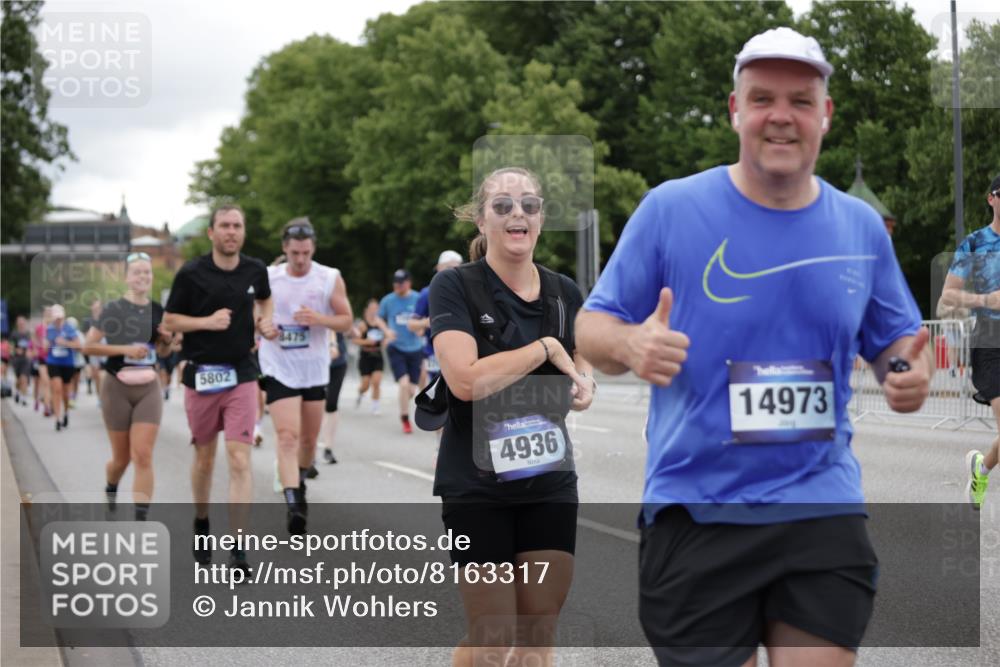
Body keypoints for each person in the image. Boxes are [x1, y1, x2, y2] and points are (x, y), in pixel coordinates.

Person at [576, 27, 932, 667]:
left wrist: (907, 371)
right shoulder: (670, 210)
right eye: (763, 98)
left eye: (801, 101)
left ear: (826, 114)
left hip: (821, 505)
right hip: (698, 509)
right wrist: (630, 343)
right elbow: (592, 325)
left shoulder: (859, 227)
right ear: (735, 109)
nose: (781, 116)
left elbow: (896, 343)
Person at [429, 166, 594, 666]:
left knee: (538, 632)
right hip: (476, 485)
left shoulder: (564, 292)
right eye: (502, 205)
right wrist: (543, 348)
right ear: (481, 220)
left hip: (548, 479)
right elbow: (465, 380)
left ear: (540, 218)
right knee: (493, 637)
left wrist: (584, 382)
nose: (516, 213)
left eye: (528, 204)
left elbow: (580, 354)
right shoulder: (455, 286)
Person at [163, 204, 276, 573]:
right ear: (212, 232)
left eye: (237, 226)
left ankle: (239, 548)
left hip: (241, 372)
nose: (231, 231)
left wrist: (265, 321)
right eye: (224, 225)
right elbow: (170, 319)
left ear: (243, 232)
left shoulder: (255, 269)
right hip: (202, 374)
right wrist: (206, 322)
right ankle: (201, 521)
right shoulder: (192, 273)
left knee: (240, 459)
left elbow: (265, 298)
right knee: (205, 459)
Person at [257, 218, 353, 535]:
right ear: (284, 249)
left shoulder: (329, 277)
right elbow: (255, 314)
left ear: (313, 249)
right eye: (295, 253)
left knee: (309, 441)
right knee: (287, 437)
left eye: (306, 253)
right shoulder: (268, 277)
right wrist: (263, 326)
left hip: (313, 368)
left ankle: (299, 481)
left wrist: (319, 318)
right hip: (278, 366)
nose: (300, 259)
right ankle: (294, 503)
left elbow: (346, 320)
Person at [83, 252, 173, 520]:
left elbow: (164, 353)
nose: (142, 276)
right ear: (126, 278)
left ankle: (140, 519)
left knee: (143, 454)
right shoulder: (114, 309)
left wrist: (166, 341)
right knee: (121, 459)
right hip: (117, 387)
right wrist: (125, 349)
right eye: (137, 272)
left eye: (147, 272)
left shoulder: (158, 310)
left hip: (148, 386)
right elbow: (89, 346)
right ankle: (111, 485)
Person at [943, 174, 1000, 510]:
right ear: (991, 198)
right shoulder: (975, 243)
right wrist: (986, 300)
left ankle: (983, 468)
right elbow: (949, 295)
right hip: (990, 340)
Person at [378, 269, 423, 433]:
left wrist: (421, 329)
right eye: (395, 283)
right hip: (396, 347)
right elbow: (378, 317)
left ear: (408, 283)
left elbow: (426, 317)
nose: (397, 286)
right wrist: (387, 331)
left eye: (401, 283)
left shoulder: (418, 298)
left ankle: (404, 403)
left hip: (416, 348)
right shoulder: (388, 300)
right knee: (403, 384)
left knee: (411, 390)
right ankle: (405, 418)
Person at [409, 250, 463, 386]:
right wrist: (427, 322)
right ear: (438, 268)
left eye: (456, 268)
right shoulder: (427, 292)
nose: (452, 272)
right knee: (437, 387)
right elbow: (411, 324)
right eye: (448, 268)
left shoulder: (466, 290)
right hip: (433, 352)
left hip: (461, 349)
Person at [45, 304, 82, 431]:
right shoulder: (49, 329)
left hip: (67, 363)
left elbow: (78, 345)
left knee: (65, 392)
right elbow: (45, 346)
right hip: (53, 362)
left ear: (63, 317)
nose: (58, 320)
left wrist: (65, 343)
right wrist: (47, 344)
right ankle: (57, 418)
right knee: (56, 389)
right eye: (56, 318)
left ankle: (65, 412)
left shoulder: (69, 328)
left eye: (60, 318)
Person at [320, 330, 351, 465]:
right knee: (314, 403)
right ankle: (308, 453)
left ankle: (328, 448)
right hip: (315, 362)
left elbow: (347, 326)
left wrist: (352, 331)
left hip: (337, 362)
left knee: (331, 403)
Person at [352, 299, 385, 414]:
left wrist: (386, 341)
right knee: (365, 384)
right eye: (372, 308)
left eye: (376, 308)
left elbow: (387, 336)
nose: (374, 311)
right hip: (365, 356)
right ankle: (361, 392)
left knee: (376, 382)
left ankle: (375, 406)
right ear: (367, 310)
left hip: (378, 355)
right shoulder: (363, 325)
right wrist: (366, 341)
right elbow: (355, 340)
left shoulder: (381, 324)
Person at [10, 316, 32, 404]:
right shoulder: (14, 334)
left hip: (26, 359)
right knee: (18, 379)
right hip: (16, 359)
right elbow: (11, 347)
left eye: (23, 322)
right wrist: (16, 350)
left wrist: (30, 352)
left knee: (24, 378)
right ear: (17, 324)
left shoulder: (28, 334)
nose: (21, 324)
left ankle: (23, 398)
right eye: (20, 322)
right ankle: (17, 392)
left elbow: (31, 345)